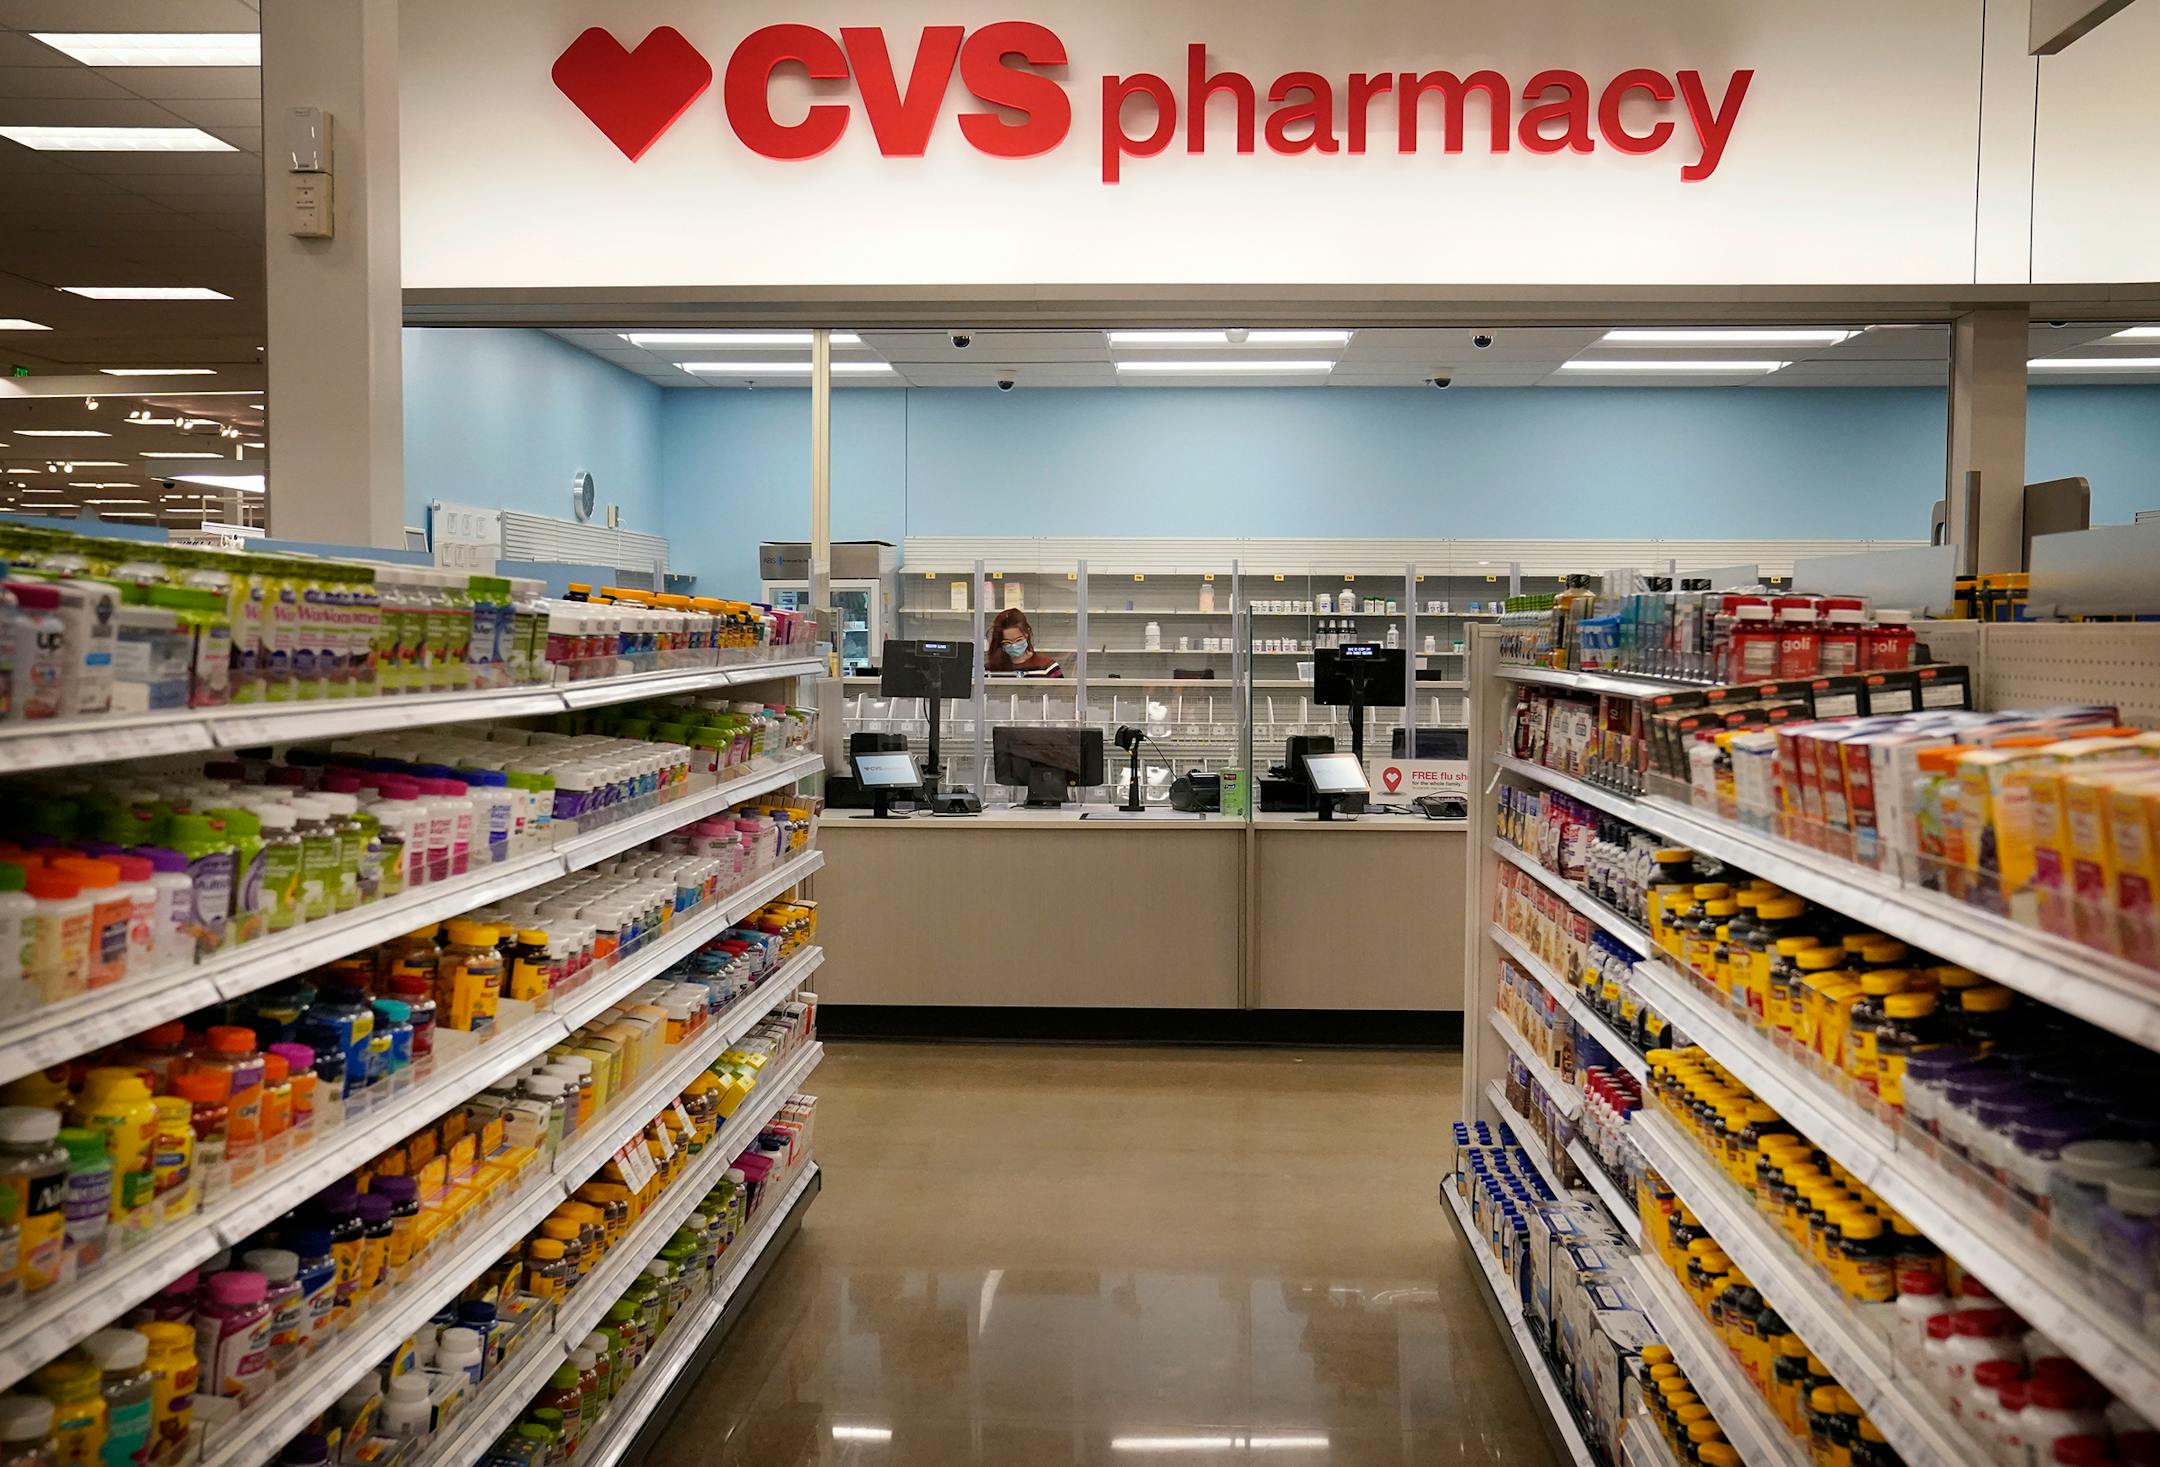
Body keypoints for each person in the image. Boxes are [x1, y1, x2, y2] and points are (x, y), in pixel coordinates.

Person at [985, 609, 1062, 675]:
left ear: (1026, 634)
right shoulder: (990, 670)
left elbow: (1060, 692)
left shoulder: (1048, 667)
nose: (1014, 646)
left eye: (1018, 640)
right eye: (1007, 642)